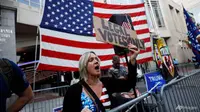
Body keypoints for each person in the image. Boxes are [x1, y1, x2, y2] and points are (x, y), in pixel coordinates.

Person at [63, 44, 139, 112]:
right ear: (84, 66)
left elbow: (130, 83)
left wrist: (132, 60)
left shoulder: (107, 82)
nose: (96, 61)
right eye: (91, 60)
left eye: (97, 59)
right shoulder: (73, 91)